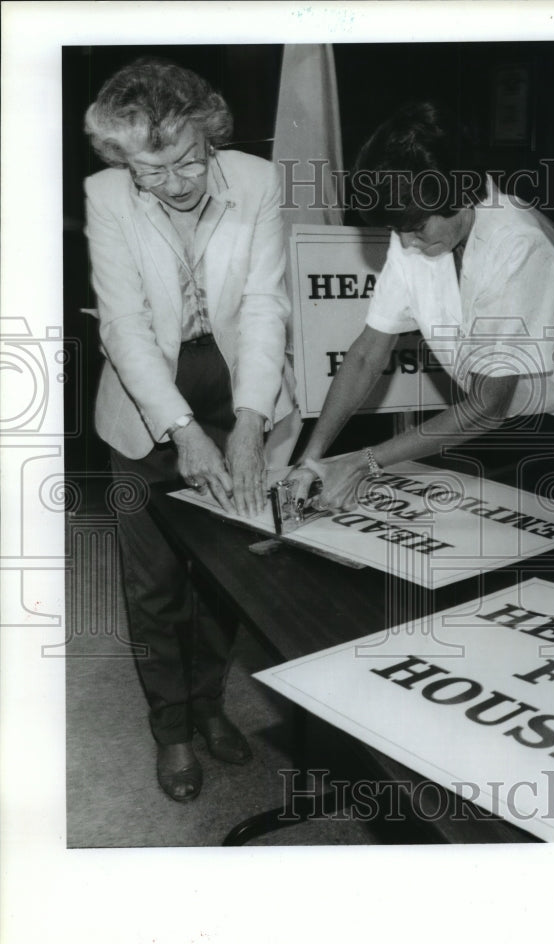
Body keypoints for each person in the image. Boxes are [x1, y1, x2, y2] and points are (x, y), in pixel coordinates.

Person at [83, 58, 297, 802]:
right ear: (122, 163)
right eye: (154, 172)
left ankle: (208, 704)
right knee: (154, 585)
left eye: (188, 160)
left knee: (226, 570)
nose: (177, 183)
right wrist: (180, 427)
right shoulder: (106, 197)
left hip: (239, 380)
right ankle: (170, 726)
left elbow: (267, 304)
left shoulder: (259, 181)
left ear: (210, 131)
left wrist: (249, 419)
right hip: (147, 404)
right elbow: (125, 326)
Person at [291, 101, 554, 526]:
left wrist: (362, 462)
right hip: (530, 417)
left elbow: (487, 405)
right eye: (397, 230)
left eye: (417, 229)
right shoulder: (416, 229)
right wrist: (311, 458)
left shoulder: (516, 242)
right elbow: (369, 352)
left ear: (460, 197)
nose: (405, 244)